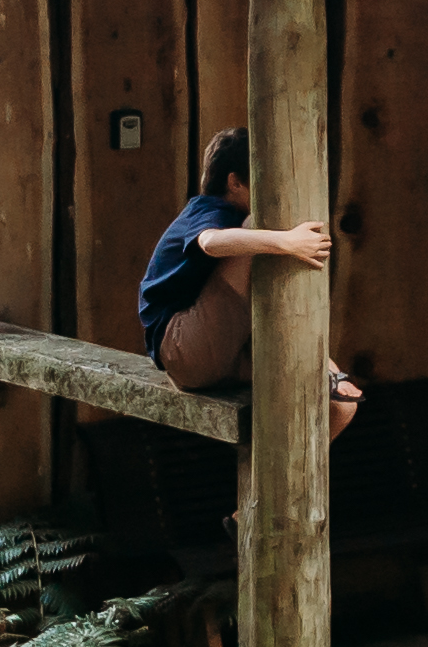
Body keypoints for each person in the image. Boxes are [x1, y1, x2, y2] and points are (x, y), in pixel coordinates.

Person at [136, 127, 357, 463]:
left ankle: (263, 497)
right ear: (234, 182)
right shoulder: (208, 210)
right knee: (256, 226)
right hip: (183, 347)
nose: (273, 191)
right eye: (262, 182)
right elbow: (210, 243)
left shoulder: (235, 221)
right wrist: (285, 242)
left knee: (341, 401)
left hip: (228, 351)